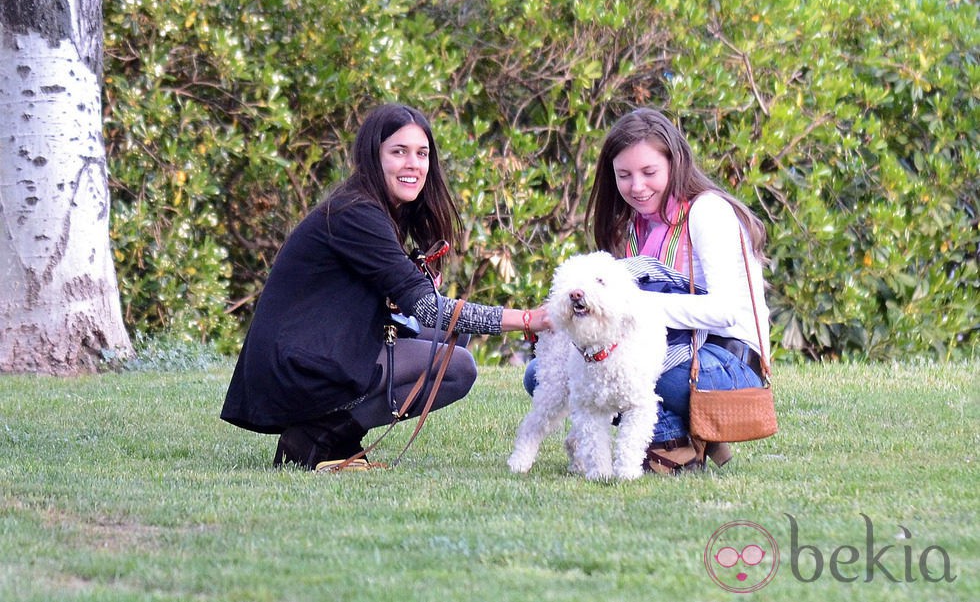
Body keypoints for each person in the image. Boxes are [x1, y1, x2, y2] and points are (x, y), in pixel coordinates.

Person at [221, 103, 549, 471]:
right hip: (298, 364)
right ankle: (318, 435)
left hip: (320, 343)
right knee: (458, 367)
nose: (413, 164)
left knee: (454, 335)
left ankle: (330, 430)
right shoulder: (356, 213)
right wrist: (527, 319)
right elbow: (426, 308)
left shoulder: (377, 207)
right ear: (372, 156)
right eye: (399, 152)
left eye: (421, 154)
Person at [525, 107, 770, 474]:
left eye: (649, 172)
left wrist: (634, 304)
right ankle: (679, 436)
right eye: (624, 175)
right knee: (552, 373)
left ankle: (675, 442)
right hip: (676, 350)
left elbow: (725, 311)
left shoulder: (707, 213)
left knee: (633, 374)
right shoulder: (639, 224)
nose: (637, 187)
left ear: (676, 164)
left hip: (727, 361)